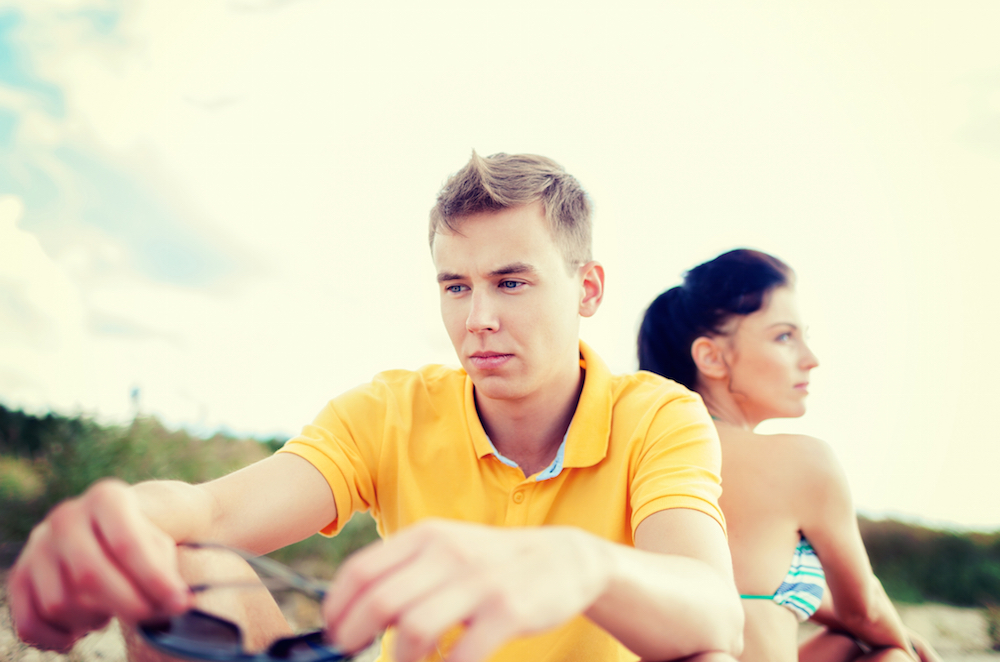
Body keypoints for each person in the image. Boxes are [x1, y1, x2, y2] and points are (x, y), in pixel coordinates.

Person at [8, 152, 744, 662]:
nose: (478, 317)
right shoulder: (392, 409)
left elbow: (714, 608)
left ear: (587, 289)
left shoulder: (659, 415)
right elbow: (213, 514)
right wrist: (124, 520)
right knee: (180, 565)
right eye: (456, 286)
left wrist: (579, 563)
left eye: (511, 282)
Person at [637, 249, 941, 662]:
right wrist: (910, 648)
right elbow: (864, 608)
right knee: (892, 656)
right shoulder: (799, 460)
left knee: (847, 642)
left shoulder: (645, 449)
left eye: (804, 336)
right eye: (784, 336)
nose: (810, 360)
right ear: (710, 357)